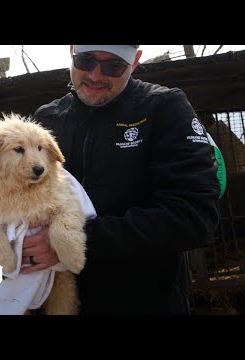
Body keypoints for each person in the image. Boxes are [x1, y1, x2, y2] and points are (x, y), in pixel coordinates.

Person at [20, 45, 221, 315]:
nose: (95, 75)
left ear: (135, 61)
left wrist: (72, 242)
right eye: (85, 60)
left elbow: (193, 216)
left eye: (113, 66)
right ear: (71, 51)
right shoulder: (46, 120)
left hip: (144, 302)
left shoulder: (163, 108)